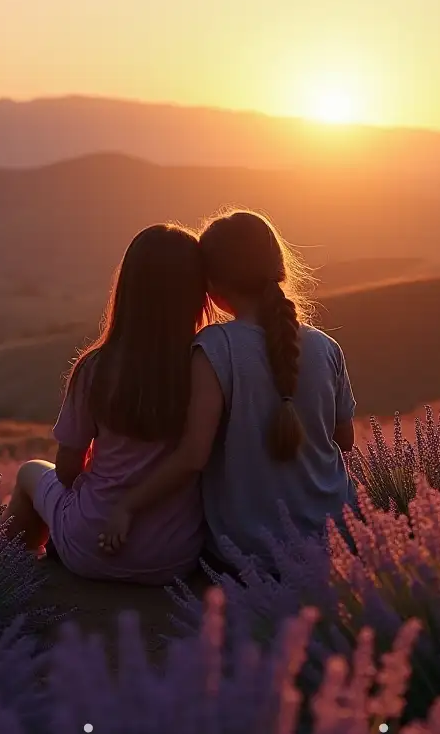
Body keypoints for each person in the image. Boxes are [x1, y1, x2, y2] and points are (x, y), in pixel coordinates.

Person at [99, 210, 356, 571]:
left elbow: (193, 457)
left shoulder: (215, 346)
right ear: (278, 267)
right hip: (338, 541)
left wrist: (128, 505)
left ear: (212, 285)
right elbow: (344, 440)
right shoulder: (325, 347)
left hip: (249, 551)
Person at [6, 223, 211, 584]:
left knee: (28, 473)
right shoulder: (207, 368)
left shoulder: (96, 368)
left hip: (92, 545)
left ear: (128, 289)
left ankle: (7, 581)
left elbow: (68, 471)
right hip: (176, 557)